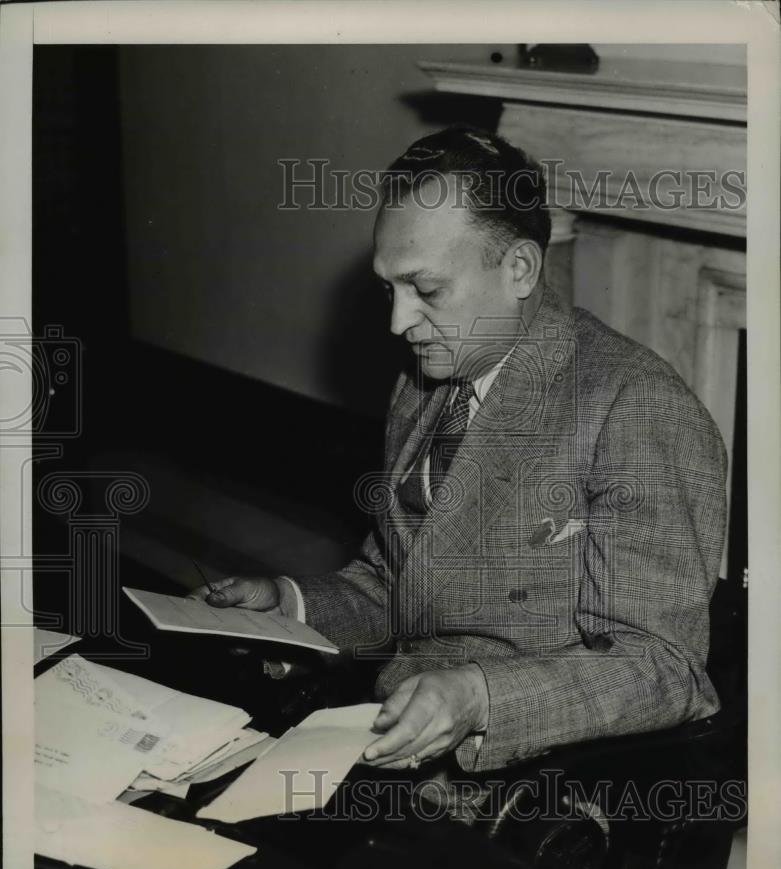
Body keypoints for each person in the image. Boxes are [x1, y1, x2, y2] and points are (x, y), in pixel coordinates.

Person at [191, 127, 727, 788]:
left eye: (426, 291)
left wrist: (477, 697)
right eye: (389, 289)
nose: (396, 322)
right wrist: (291, 604)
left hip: (532, 789)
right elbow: (403, 586)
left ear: (520, 271)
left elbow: (663, 668)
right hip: (391, 740)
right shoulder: (427, 383)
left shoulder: (636, 407)